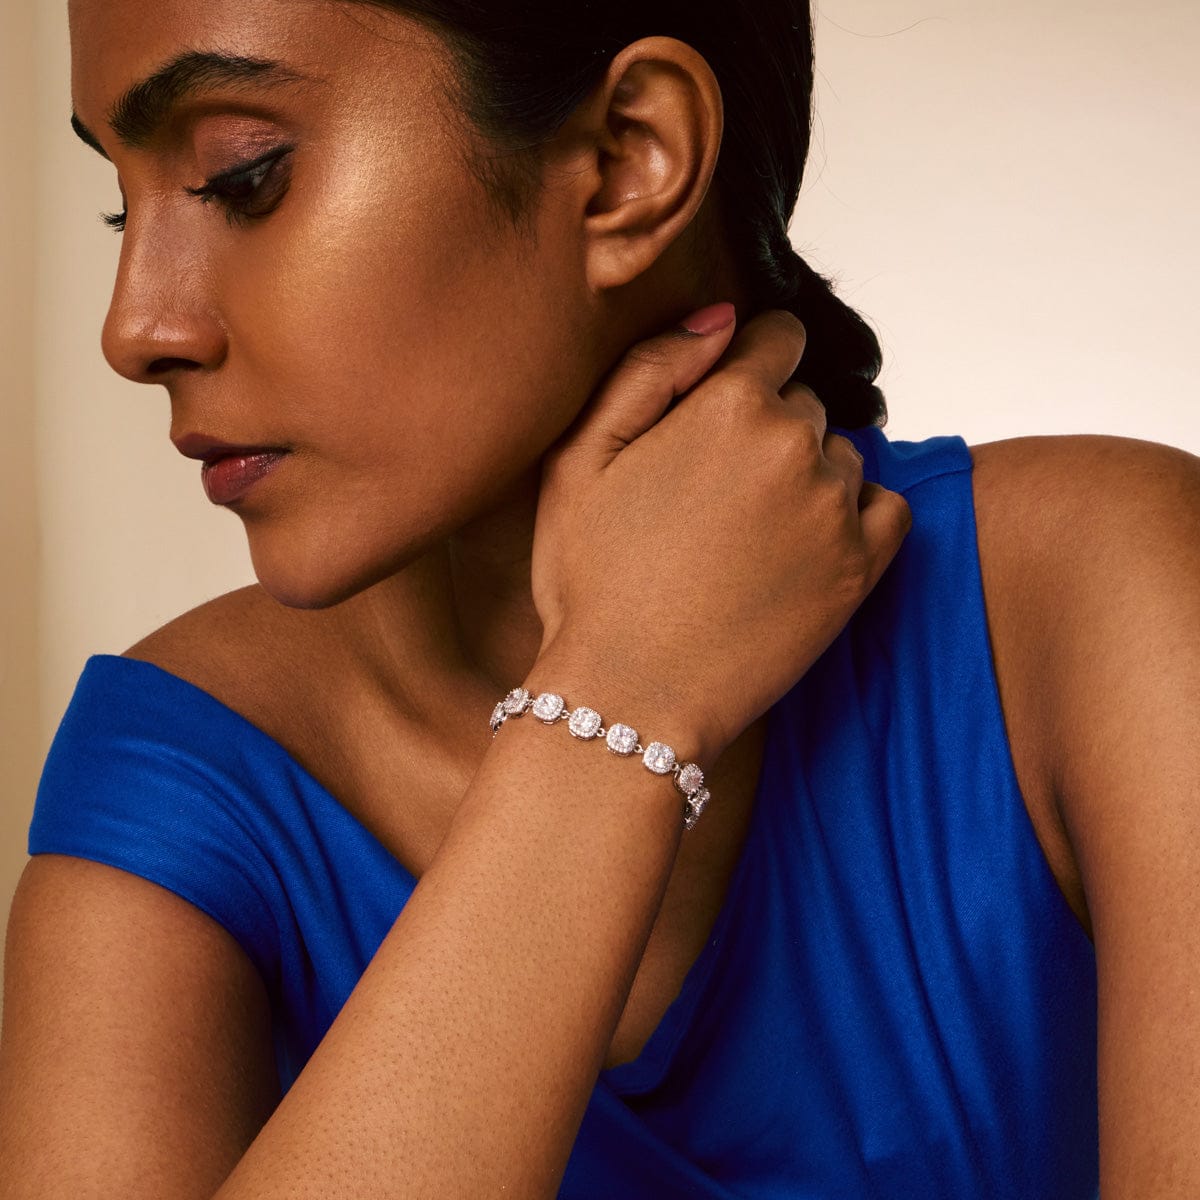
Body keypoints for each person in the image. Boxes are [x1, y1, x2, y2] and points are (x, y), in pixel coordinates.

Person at [1, 1, 1197, 1196]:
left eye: (242, 177)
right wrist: (620, 697)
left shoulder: (1095, 603)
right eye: (119, 204)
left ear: (632, 157)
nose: (134, 328)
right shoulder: (176, 784)